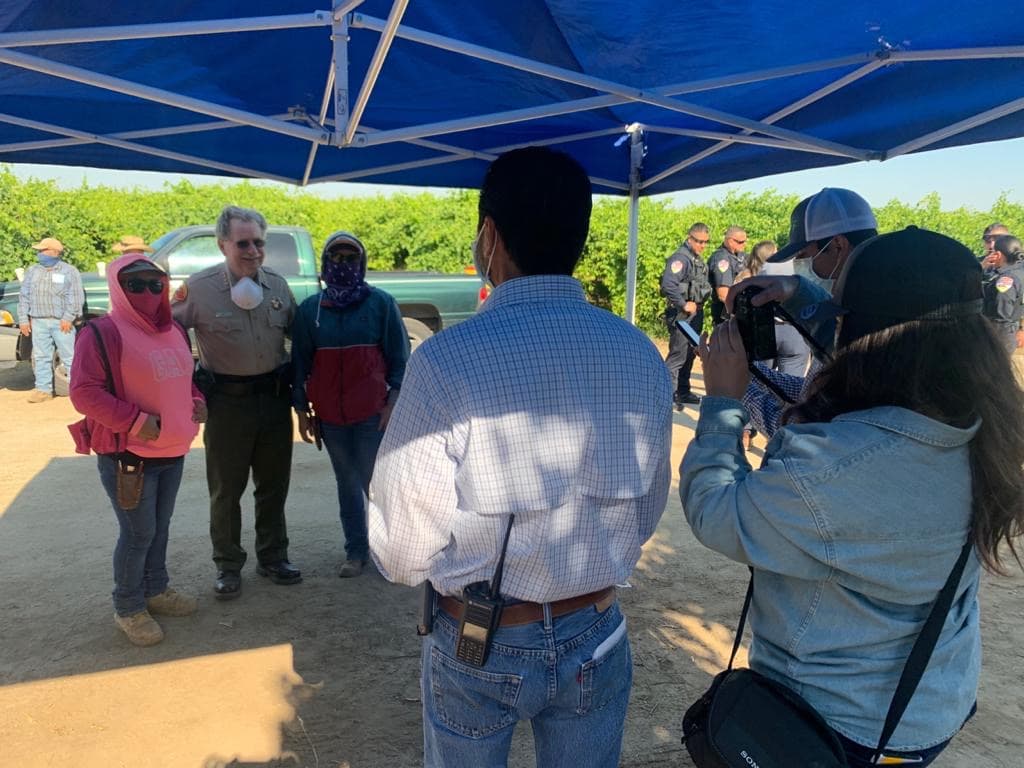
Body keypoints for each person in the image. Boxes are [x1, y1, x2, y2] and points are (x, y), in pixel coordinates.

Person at [368, 146, 672, 768]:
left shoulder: (446, 360)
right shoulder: (639, 352)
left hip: (480, 638)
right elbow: (644, 514)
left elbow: (402, 553)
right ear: (579, 238)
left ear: (490, 235)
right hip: (596, 628)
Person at [681, 226, 1024, 768]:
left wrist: (724, 404)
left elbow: (716, 511)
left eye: (841, 319)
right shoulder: (987, 428)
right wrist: (804, 295)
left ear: (865, 337)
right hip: (925, 704)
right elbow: (853, 404)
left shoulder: (834, 466)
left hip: (834, 724)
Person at [69, 254, 205, 646]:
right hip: (129, 456)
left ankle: (156, 589)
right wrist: (134, 421)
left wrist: (197, 401)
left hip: (172, 449)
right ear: (117, 287)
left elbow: (184, 378)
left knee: (158, 528)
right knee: (138, 532)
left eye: (155, 284)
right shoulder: (102, 333)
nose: (148, 292)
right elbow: (84, 392)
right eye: (136, 284)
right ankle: (128, 607)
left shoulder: (174, 330)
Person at [172, 205, 300, 600]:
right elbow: (168, 332)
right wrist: (189, 385)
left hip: (274, 402)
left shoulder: (278, 287)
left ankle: (273, 557)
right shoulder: (200, 288)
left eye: (258, 242)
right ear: (222, 244)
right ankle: (228, 565)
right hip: (227, 405)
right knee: (226, 491)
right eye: (243, 243)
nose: (253, 251)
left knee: (274, 486)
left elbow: (301, 339)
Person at [291, 231, 410, 578]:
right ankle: (356, 551)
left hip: (373, 415)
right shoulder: (310, 311)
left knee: (378, 484)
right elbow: (300, 364)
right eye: (337, 258)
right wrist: (302, 411)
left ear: (363, 262)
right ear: (327, 263)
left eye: (351, 258)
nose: (344, 265)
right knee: (347, 483)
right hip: (331, 418)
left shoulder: (381, 304)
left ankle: (390, 552)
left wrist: (392, 402)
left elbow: (399, 360)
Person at [730, 188, 878, 439]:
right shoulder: (855, 305)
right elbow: (812, 390)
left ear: (838, 245)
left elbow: (801, 431)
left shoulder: (868, 324)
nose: (800, 265)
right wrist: (747, 370)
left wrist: (738, 388)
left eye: (804, 256)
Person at [17, 237, 84, 403]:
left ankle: (79, 392)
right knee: (41, 356)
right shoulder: (33, 271)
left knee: (70, 357)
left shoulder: (69, 271)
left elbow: (76, 297)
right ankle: (43, 390)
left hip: (61, 322)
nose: (39, 254)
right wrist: (23, 319)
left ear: (54, 252)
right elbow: (24, 296)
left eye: (42, 250)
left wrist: (68, 317)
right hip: (38, 321)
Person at [660, 223, 711, 409]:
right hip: (682, 315)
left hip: (694, 314)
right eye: (699, 241)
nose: (702, 245)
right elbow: (668, 285)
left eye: (706, 242)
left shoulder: (695, 259)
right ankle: (666, 394)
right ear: (690, 238)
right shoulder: (680, 259)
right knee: (678, 356)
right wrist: (683, 304)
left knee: (690, 354)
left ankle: (682, 392)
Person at [982, 234, 1024, 354]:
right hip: (1011, 331)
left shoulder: (1006, 279)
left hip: (1000, 335)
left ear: (998, 255)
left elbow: (1001, 314)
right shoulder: (1019, 272)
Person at [707, 226, 747, 325]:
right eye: (740, 242)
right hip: (727, 315)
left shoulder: (740, 256)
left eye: (745, 241)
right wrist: (739, 313)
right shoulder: (722, 259)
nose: (744, 245)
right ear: (730, 241)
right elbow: (723, 294)